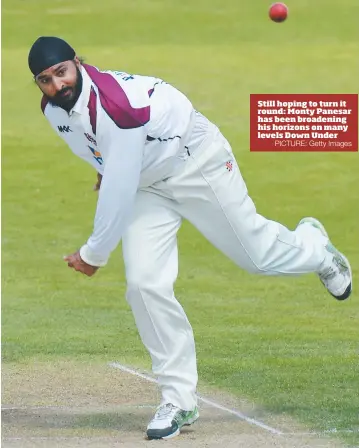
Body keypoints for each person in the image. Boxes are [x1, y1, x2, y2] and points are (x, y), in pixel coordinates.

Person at [28, 36, 352, 440]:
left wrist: (94, 254)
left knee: (259, 257)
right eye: (45, 79)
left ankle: (316, 248)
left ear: (77, 62)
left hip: (195, 160)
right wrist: (106, 165)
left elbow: (118, 188)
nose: (57, 85)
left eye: (61, 72)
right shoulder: (55, 110)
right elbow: (102, 154)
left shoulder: (116, 106)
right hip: (149, 185)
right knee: (144, 284)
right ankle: (179, 399)